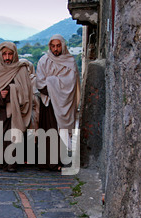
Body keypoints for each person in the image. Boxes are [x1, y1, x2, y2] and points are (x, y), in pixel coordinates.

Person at [0, 42, 33, 173]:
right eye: (4, 54)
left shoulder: (20, 69)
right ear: (0, 54)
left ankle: (11, 163)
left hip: (15, 109)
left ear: (14, 55)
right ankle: (1, 161)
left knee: (13, 136)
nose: (7, 57)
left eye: (10, 54)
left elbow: (26, 90)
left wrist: (12, 91)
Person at [36, 34, 81, 171]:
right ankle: (45, 162)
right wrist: (54, 83)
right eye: (53, 46)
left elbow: (71, 83)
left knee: (60, 133)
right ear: (50, 46)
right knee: (48, 133)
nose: (56, 49)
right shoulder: (43, 61)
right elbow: (40, 82)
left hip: (64, 104)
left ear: (63, 46)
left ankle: (58, 162)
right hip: (48, 104)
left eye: (58, 46)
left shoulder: (70, 62)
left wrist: (52, 82)